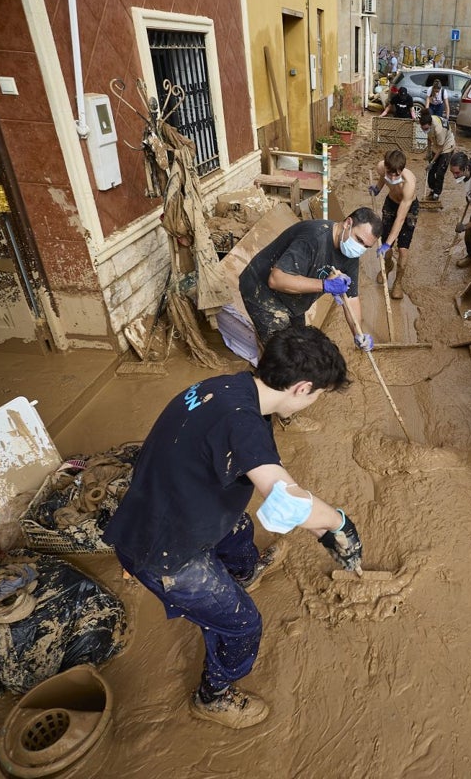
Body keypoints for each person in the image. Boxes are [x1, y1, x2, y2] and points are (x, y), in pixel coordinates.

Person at [102, 325, 365, 729]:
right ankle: (214, 696)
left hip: (165, 499)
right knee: (243, 624)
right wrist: (336, 523)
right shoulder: (242, 424)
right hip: (162, 547)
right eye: (318, 395)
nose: (315, 402)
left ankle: (244, 572)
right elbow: (286, 500)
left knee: (239, 525)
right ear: (301, 388)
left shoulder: (230, 387)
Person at [238, 206, 381, 352]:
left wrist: (358, 334)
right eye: (359, 240)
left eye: (366, 247)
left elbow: (351, 298)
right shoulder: (313, 237)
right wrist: (325, 285)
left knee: (301, 345)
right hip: (261, 291)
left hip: (294, 298)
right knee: (282, 354)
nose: (359, 248)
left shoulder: (351, 254)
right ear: (347, 224)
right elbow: (276, 279)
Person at [368, 148, 419, 300]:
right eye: (390, 173)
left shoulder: (409, 184)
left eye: (397, 173)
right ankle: (388, 264)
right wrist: (377, 188)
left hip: (408, 209)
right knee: (384, 243)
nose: (393, 176)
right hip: (390, 203)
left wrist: (389, 243)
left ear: (401, 170)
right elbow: (383, 177)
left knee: (402, 249)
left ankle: (398, 282)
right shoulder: (381, 167)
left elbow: (400, 218)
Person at [419, 109, 456, 202]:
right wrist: (428, 152)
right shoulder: (427, 123)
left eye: (426, 129)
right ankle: (432, 190)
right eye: (423, 129)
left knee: (440, 172)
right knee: (430, 171)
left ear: (430, 125)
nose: (424, 130)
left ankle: (436, 195)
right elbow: (429, 138)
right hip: (436, 145)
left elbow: (441, 148)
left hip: (446, 146)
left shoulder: (438, 129)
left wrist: (432, 162)